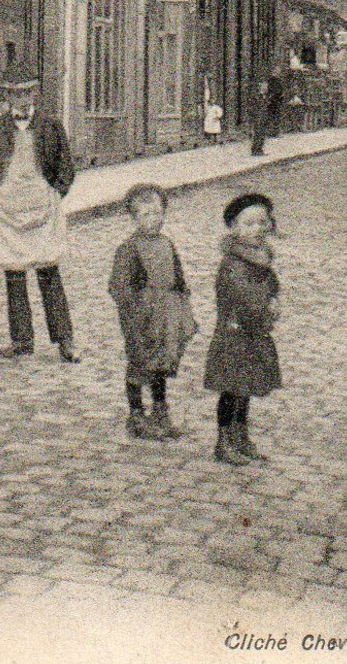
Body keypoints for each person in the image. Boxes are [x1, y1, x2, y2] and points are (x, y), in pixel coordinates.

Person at [0, 60, 78, 362]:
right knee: (14, 277)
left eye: (28, 93)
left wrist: (56, 194)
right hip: (7, 210)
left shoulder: (50, 126)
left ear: (36, 95)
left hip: (41, 209)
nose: (23, 100)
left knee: (48, 273)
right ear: (6, 97)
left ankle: (65, 341)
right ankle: (21, 340)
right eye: (17, 94)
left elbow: (65, 166)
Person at [108, 184, 195, 442]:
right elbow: (119, 287)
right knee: (139, 362)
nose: (153, 220)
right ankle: (136, 414)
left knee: (160, 363)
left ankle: (160, 410)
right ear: (134, 218)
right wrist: (136, 309)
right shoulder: (129, 249)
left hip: (165, 315)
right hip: (141, 318)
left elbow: (178, 277)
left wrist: (182, 304)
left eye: (157, 213)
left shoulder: (167, 244)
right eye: (145, 215)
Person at [203, 193, 282, 465]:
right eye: (249, 224)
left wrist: (273, 298)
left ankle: (240, 436)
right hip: (235, 335)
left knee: (245, 388)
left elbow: (271, 284)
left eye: (262, 222)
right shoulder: (234, 263)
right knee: (231, 390)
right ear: (234, 228)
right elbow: (243, 296)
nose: (257, 229)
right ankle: (223, 441)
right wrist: (264, 307)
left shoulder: (260, 258)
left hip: (253, 333)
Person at [249, 72, 283, 157]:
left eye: (266, 87)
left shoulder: (266, 97)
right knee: (258, 133)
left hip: (264, 117)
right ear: (261, 88)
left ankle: (259, 149)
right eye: (265, 87)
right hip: (259, 117)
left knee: (262, 134)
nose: (266, 88)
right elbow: (253, 107)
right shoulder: (257, 97)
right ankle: (255, 150)